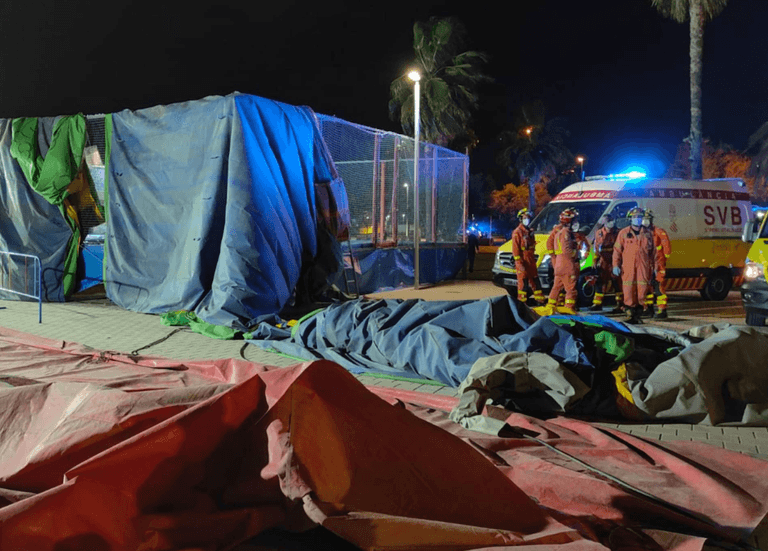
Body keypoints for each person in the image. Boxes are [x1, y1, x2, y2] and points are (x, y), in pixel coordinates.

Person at [612, 207, 655, 324]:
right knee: (628, 290)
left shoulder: (647, 233)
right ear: (630, 219)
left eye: (640, 217)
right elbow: (617, 250)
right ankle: (630, 314)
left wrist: (654, 267)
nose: (638, 219)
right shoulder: (624, 233)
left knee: (642, 292)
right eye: (635, 217)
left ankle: (639, 312)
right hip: (628, 267)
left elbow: (653, 252)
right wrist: (615, 265)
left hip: (643, 267)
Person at [544, 208, 580, 315]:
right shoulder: (566, 232)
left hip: (559, 264)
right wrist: (576, 253)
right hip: (567, 264)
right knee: (570, 289)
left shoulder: (558, 231)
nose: (576, 222)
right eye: (574, 220)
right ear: (569, 221)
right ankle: (569, 309)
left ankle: (550, 307)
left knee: (556, 287)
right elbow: (567, 250)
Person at [511, 208, 545, 305]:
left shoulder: (529, 231)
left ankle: (540, 301)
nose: (527, 220)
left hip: (531, 260)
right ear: (521, 219)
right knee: (523, 283)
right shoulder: (517, 232)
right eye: (525, 218)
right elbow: (515, 250)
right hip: (523, 261)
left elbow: (532, 246)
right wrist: (519, 263)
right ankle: (522, 304)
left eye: (528, 218)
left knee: (536, 281)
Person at [642, 209, 672, 319]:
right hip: (646, 265)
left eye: (647, 219)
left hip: (658, 264)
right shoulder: (642, 233)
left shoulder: (659, 232)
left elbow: (666, 247)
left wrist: (663, 261)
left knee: (659, 288)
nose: (645, 221)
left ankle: (662, 310)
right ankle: (648, 308)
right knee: (647, 287)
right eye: (643, 219)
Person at [589, 214, 622, 312]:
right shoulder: (599, 233)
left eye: (611, 220)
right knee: (600, 282)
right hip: (603, 261)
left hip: (614, 260)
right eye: (608, 221)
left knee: (617, 283)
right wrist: (595, 260)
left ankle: (620, 304)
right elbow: (596, 247)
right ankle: (597, 303)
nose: (610, 222)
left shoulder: (618, 232)